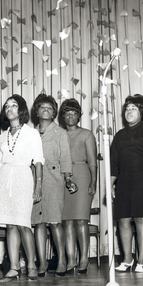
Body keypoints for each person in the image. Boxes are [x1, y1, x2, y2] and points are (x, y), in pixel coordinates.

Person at [0, 94, 44, 282]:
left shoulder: (31, 133)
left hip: (24, 177)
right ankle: (14, 267)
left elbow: (38, 161)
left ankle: (31, 265)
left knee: (23, 224)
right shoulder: (1, 137)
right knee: (10, 224)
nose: (9, 108)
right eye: (6, 106)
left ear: (21, 109)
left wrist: (38, 186)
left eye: (13, 105)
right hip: (5, 179)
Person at [111, 94, 143, 273]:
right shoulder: (119, 135)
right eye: (127, 109)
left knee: (140, 218)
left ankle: (142, 259)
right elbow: (113, 163)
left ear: (142, 112)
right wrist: (110, 185)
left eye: (133, 109)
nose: (129, 111)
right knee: (123, 220)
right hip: (124, 181)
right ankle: (127, 259)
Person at [31, 94, 72, 277]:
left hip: (54, 179)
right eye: (42, 107)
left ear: (54, 112)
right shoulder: (31, 132)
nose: (46, 110)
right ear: (36, 112)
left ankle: (62, 260)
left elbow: (66, 158)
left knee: (55, 222)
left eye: (49, 108)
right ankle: (42, 262)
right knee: (38, 223)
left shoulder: (60, 133)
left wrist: (68, 178)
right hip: (33, 180)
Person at [59, 98, 97, 274]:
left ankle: (84, 258)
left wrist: (93, 182)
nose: (71, 116)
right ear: (63, 116)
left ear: (79, 116)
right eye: (67, 114)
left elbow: (92, 162)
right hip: (62, 176)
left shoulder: (87, 134)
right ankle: (70, 259)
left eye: (74, 113)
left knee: (81, 220)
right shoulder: (59, 134)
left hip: (82, 175)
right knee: (66, 222)